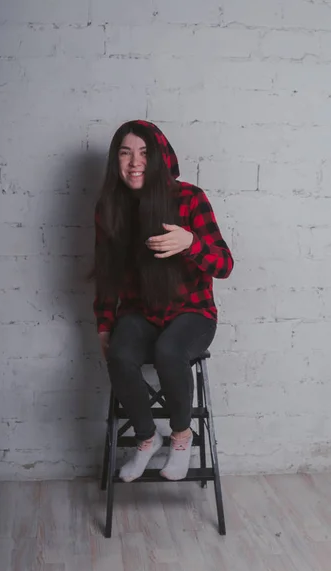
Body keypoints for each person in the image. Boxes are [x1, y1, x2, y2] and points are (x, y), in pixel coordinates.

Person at [92, 120, 234, 483]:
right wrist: (105, 325)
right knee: (119, 355)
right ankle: (146, 438)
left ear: (159, 159)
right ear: (116, 161)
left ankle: (181, 438)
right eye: (125, 153)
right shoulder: (111, 207)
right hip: (142, 312)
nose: (134, 161)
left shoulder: (190, 198)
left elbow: (225, 265)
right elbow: (107, 276)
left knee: (171, 351)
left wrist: (191, 244)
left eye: (144, 153)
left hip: (193, 312)